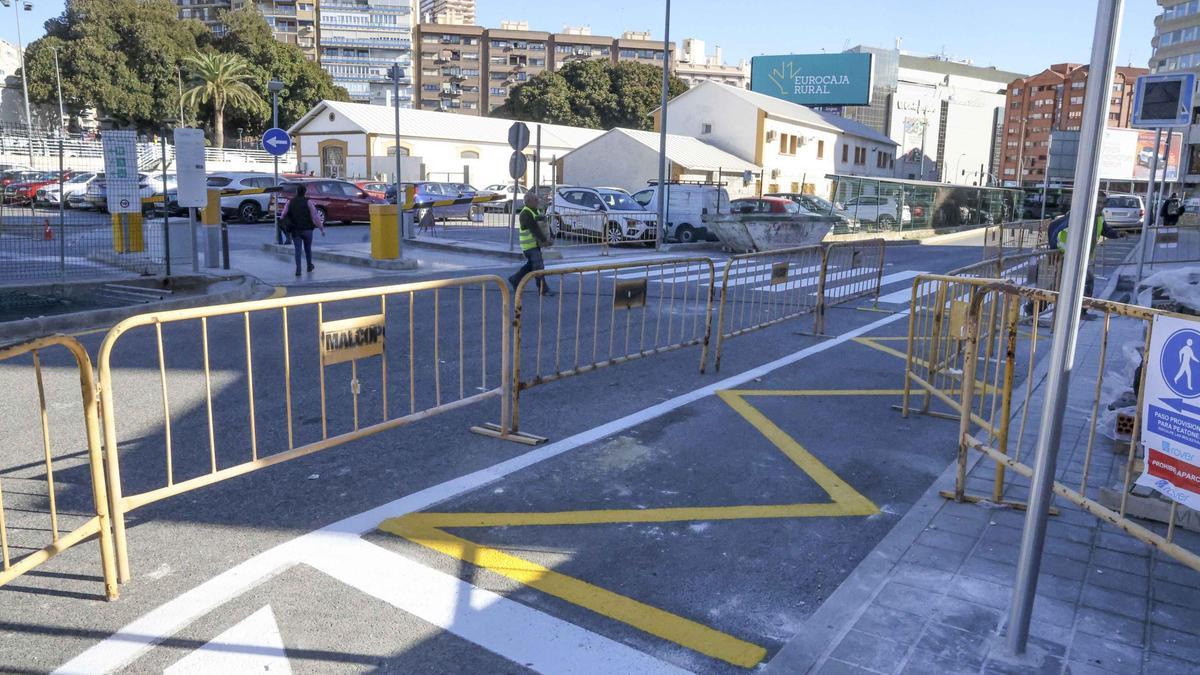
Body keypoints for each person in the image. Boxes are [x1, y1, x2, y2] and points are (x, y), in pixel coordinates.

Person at [1053, 191, 1123, 311]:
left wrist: (1117, 234)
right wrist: (1053, 250)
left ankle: (1079, 310)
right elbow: (1053, 228)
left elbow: (1105, 231)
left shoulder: (1099, 217)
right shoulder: (1079, 215)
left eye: (1103, 203)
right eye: (1099, 202)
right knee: (1078, 282)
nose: (1101, 205)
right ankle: (1080, 310)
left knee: (1063, 285)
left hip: (1082, 257)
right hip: (1067, 257)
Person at [508, 194, 554, 295]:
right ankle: (543, 290)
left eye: (538, 199)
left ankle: (515, 279)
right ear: (528, 201)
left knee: (530, 266)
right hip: (529, 246)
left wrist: (551, 236)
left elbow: (544, 225)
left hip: (534, 245)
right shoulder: (525, 213)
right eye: (535, 200)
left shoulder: (535, 211)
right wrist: (544, 240)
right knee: (539, 267)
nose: (538, 201)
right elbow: (534, 229)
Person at [280, 184, 325, 277]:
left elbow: (283, 214)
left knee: (298, 250)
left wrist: (283, 223)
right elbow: (315, 216)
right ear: (305, 192)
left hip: (295, 230)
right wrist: (321, 228)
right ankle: (309, 266)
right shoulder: (308, 202)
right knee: (308, 248)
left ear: (296, 192)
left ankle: (298, 269)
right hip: (308, 229)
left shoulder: (290, 202)